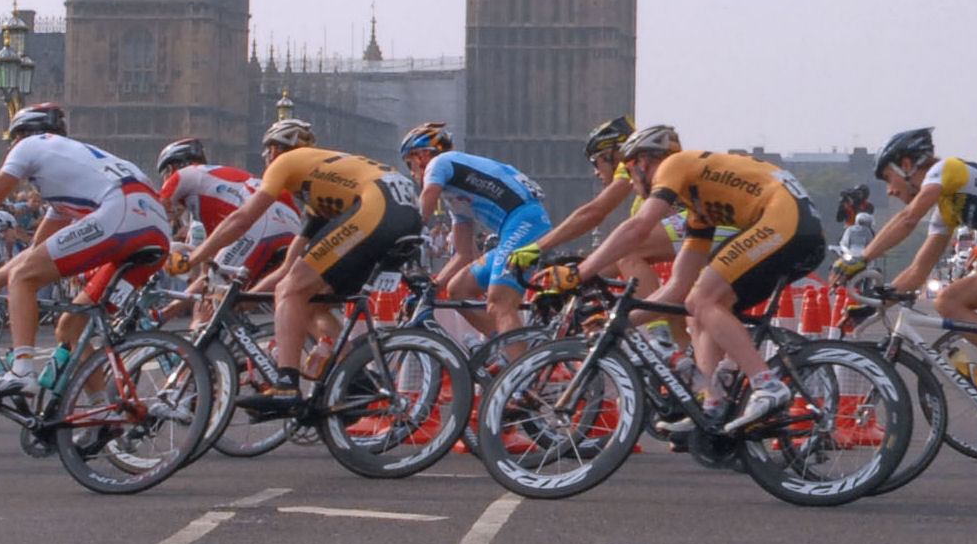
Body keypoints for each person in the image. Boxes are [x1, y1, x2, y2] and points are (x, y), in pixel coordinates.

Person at [0, 104, 172, 398]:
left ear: (21, 136)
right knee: (70, 329)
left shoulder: (31, 146)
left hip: (122, 210)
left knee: (25, 277)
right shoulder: (69, 179)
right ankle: (111, 410)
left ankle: (22, 371)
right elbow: (37, 250)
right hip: (155, 230)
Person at [840, 123, 977, 457]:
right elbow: (919, 270)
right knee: (949, 300)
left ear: (907, 165)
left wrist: (861, 259)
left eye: (888, 179)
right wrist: (876, 304)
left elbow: (907, 219)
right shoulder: (946, 206)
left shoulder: (946, 170)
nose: (889, 191)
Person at [581, 125, 825, 435]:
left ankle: (767, 385)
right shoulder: (701, 209)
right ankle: (712, 408)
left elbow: (638, 228)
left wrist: (581, 272)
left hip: (785, 221)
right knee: (697, 310)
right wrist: (619, 320)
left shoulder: (674, 164)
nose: (630, 182)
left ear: (643, 162)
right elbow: (676, 287)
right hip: (798, 229)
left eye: (629, 171)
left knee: (702, 300)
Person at [179, 117, 421, 408]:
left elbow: (241, 219)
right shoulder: (321, 189)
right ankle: (356, 380)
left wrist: (193, 257)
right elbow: (288, 268)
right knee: (309, 300)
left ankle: (286, 385)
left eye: (267, 153)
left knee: (292, 291)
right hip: (405, 210)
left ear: (275, 150)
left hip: (380, 206)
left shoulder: (286, 161)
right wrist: (245, 299)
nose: (267, 159)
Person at [402, 122, 551, 334]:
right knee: (458, 290)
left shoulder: (440, 162)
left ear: (422, 156)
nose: (412, 174)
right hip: (519, 226)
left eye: (410, 165)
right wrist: (433, 288)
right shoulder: (455, 196)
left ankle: (518, 353)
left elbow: (425, 203)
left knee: (500, 301)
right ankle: (503, 345)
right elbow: (464, 254)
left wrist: (402, 239)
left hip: (525, 221)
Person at [506, 117, 676, 297]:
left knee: (627, 249)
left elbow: (594, 212)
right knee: (615, 255)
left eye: (595, 162)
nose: (595, 172)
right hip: (686, 233)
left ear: (611, 154)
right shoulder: (640, 181)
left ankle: (653, 316)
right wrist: (571, 284)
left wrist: (539, 246)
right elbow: (607, 261)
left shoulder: (632, 163)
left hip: (692, 225)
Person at [155, 137, 303, 289]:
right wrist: (173, 305)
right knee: (229, 291)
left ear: (170, 169)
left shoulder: (181, 176)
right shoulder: (216, 186)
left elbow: (154, 214)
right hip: (291, 221)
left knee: (218, 289)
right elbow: (205, 277)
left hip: (258, 219)